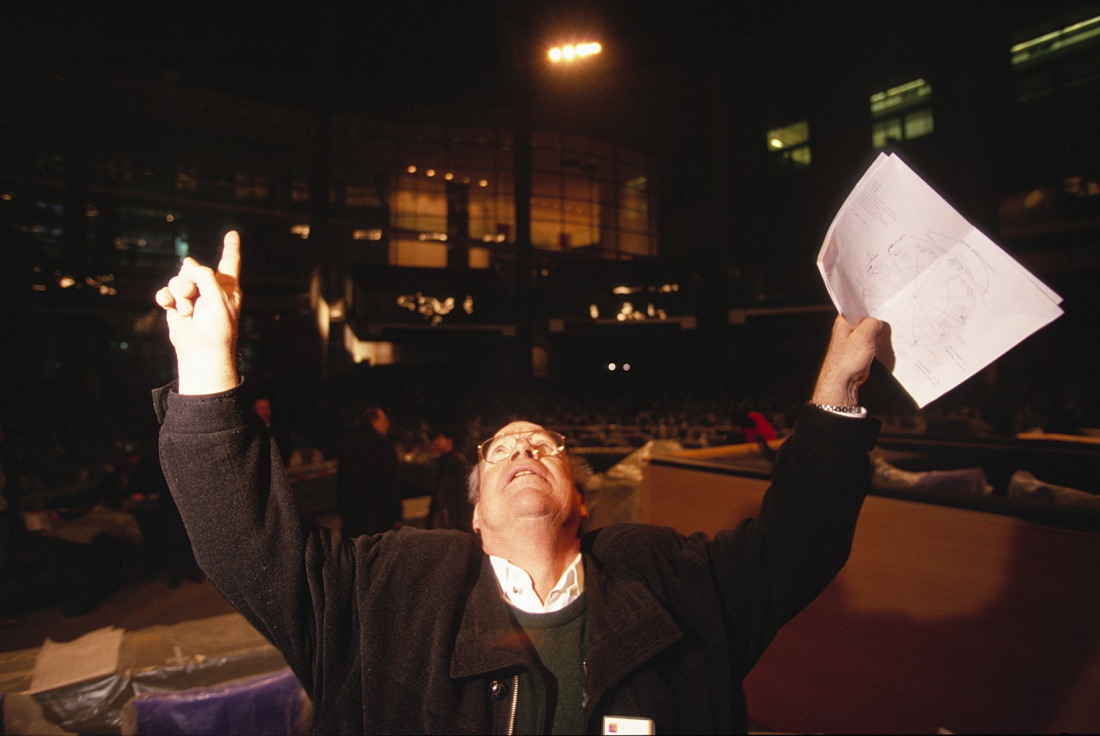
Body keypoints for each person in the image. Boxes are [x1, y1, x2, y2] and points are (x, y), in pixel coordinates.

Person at [154, 231, 882, 734]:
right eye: (500, 449)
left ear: (581, 499)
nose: (523, 450)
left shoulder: (671, 579)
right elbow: (245, 540)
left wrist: (838, 392)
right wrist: (207, 366)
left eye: (543, 445)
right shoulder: (388, 593)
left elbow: (798, 544)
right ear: (471, 516)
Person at [337, 405, 402, 537]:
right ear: (374, 422)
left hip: (353, 517)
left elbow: (341, 483)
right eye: (385, 421)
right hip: (379, 517)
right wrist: (397, 515)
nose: (388, 425)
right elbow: (391, 483)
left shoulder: (348, 444)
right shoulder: (384, 446)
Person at [425, 425, 473, 532]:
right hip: (446, 516)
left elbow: (462, 493)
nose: (436, 442)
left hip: (455, 519)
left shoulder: (456, 461)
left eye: (439, 438)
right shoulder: (441, 461)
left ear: (449, 440)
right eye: (435, 439)